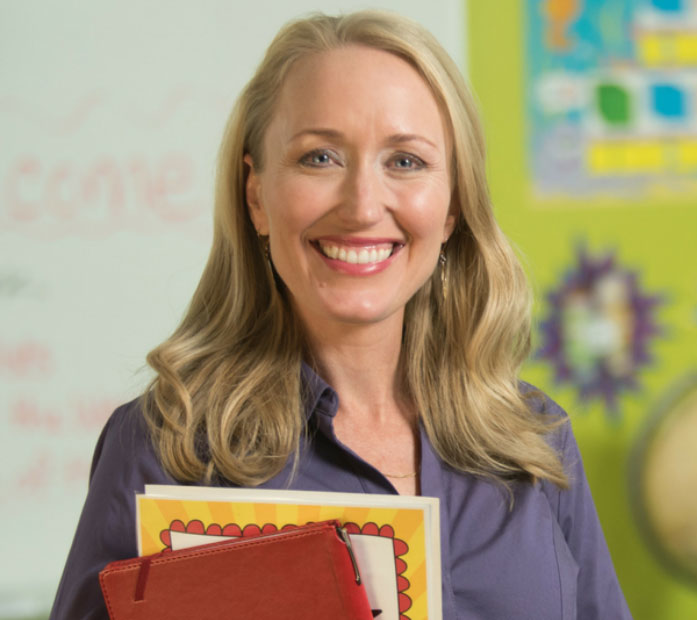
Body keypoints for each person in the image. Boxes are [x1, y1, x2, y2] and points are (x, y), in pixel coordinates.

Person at [50, 10, 631, 619]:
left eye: (405, 161)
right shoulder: (166, 447)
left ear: (452, 205)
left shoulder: (533, 439)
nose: (362, 207)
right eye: (320, 158)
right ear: (256, 196)